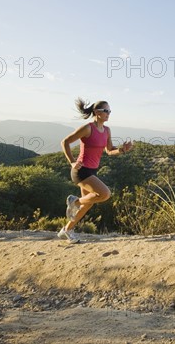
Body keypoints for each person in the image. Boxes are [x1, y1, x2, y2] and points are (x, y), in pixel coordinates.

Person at [58, 97, 133, 243]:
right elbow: (65, 142)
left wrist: (122, 150)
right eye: (106, 111)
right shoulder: (88, 128)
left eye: (109, 111)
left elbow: (110, 150)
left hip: (92, 171)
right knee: (105, 194)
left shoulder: (106, 130)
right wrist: (72, 162)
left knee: (88, 204)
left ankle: (66, 231)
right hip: (81, 171)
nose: (108, 113)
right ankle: (74, 202)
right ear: (97, 112)